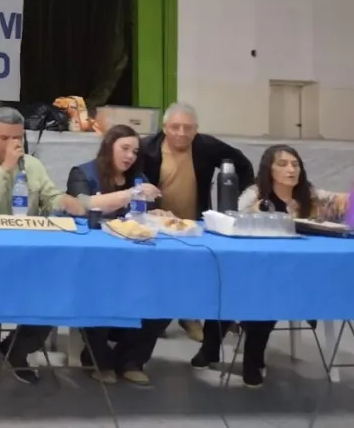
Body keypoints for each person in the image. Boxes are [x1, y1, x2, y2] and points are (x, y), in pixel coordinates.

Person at [192, 145, 349, 387]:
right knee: (238, 288)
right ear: (269, 169)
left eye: (295, 164)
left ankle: (249, 358)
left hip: (295, 273)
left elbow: (344, 204)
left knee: (269, 293)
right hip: (253, 269)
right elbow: (231, 223)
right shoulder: (254, 195)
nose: (291, 169)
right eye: (283, 164)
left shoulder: (311, 195)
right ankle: (216, 349)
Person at [0, 107, 85, 383]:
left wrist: (65, 202)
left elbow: (50, 197)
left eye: (17, 138)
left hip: (29, 251)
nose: (12, 144)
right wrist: (6, 168)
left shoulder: (33, 165)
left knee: (56, 291)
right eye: (4, 138)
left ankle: (16, 349)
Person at [140, 102, 255, 344]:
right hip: (155, 223)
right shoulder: (146, 149)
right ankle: (155, 318)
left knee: (193, 271)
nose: (181, 133)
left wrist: (239, 202)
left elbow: (243, 165)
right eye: (175, 127)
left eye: (187, 128)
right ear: (164, 127)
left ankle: (190, 316)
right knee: (156, 271)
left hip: (195, 224)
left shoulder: (206, 146)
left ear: (196, 129)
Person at [66, 125, 168, 386]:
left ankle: (130, 359)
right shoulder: (82, 173)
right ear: (109, 146)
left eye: (135, 151)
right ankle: (100, 357)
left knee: (166, 295)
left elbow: (144, 216)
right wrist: (132, 194)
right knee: (98, 292)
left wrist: (158, 214)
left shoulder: (139, 178)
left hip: (136, 260)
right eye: (124, 148)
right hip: (95, 261)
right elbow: (83, 206)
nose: (130, 156)